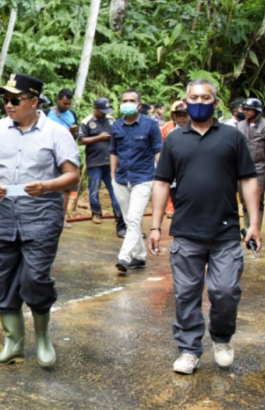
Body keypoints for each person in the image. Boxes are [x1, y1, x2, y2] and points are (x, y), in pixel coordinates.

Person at [148, 79, 261, 375]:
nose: (199, 101)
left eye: (205, 97)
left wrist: (254, 223)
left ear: (215, 101)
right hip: (186, 231)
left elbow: (248, 179)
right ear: (185, 101)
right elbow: (161, 182)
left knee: (225, 291)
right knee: (186, 293)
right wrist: (155, 225)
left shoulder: (231, 137)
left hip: (224, 232)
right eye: (194, 97)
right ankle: (188, 349)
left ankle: (222, 339)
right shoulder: (174, 139)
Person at [0, 73, 80, 368]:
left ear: (34, 101)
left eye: (15, 100)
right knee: (4, 280)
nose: (8, 105)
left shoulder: (56, 133)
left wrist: (46, 186)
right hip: (4, 214)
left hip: (42, 215)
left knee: (34, 278)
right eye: (5, 100)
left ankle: (43, 339)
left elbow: (73, 175)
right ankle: (14, 345)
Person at [110, 89, 162, 274]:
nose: (127, 103)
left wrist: (163, 176)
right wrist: (112, 176)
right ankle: (139, 257)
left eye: (131, 100)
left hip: (143, 178)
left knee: (133, 219)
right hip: (122, 179)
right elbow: (114, 151)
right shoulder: (116, 126)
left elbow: (158, 150)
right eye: (124, 100)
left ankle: (124, 256)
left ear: (139, 105)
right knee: (129, 219)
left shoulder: (150, 125)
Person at [78, 97, 124, 233]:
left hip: (110, 161)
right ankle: (96, 213)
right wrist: (99, 137)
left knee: (115, 189)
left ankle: (118, 215)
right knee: (94, 190)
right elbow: (81, 140)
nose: (104, 113)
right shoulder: (86, 122)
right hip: (94, 162)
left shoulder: (111, 120)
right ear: (96, 109)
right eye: (102, 111)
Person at [234, 97, 265, 231]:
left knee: (258, 200)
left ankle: (255, 229)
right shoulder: (240, 125)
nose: (245, 112)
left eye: (248, 110)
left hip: (259, 168)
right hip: (242, 168)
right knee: (244, 200)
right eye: (244, 109)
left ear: (257, 111)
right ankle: (247, 228)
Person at [47, 88, 79, 228]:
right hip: (49, 154)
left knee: (65, 188)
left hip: (66, 154)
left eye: (69, 104)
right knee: (48, 185)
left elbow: (76, 136)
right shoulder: (47, 113)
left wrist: (74, 132)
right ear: (58, 100)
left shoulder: (72, 114)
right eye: (64, 103)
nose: (66, 106)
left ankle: (61, 218)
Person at [160, 100, 190, 218]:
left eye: (184, 116)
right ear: (174, 117)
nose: (182, 119)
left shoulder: (196, 131)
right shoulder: (170, 133)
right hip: (175, 175)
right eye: (179, 116)